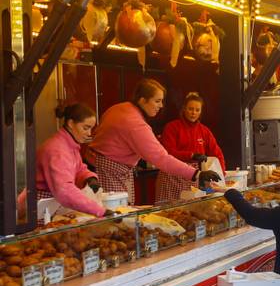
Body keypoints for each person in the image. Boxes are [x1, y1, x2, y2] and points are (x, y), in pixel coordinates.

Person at [87, 79, 220, 204]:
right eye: (157, 101)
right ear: (143, 100)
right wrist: (196, 173)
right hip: (110, 170)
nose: (161, 106)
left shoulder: (118, 108)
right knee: (117, 216)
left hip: (98, 167)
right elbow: (162, 158)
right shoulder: (136, 124)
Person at [19, 103, 110, 217]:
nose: (89, 133)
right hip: (40, 208)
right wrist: (99, 210)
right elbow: (65, 191)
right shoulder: (57, 150)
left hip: (53, 203)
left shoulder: (70, 144)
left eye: (91, 129)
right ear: (71, 123)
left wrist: (89, 178)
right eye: (85, 128)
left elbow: (77, 167)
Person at [156, 92, 226, 202]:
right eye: (190, 109)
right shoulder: (172, 127)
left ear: (201, 112)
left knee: (193, 210)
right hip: (172, 175)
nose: (193, 113)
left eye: (197, 110)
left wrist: (222, 175)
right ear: (184, 108)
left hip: (195, 177)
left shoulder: (204, 131)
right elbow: (168, 152)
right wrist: (191, 155)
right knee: (169, 210)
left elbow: (217, 153)